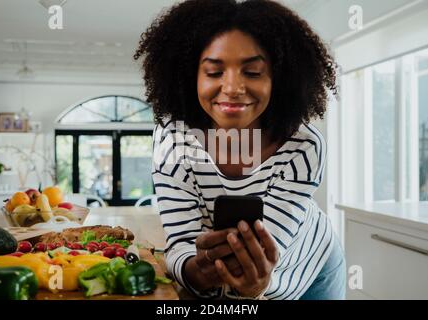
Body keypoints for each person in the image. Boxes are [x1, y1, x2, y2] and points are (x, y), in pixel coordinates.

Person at [134, 0, 346, 300]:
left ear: (279, 78)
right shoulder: (173, 139)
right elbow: (180, 242)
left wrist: (253, 285)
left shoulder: (302, 145)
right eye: (214, 71)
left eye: (253, 72)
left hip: (309, 270)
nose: (232, 87)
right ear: (190, 76)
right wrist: (196, 271)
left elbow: (264, 263)